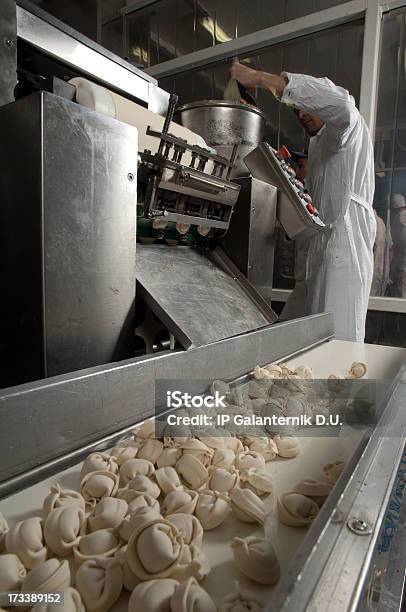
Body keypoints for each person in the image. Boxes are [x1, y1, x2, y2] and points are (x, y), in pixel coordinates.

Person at [230, 62, 376, 342]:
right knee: (295, 333)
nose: (301, 114)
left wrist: (259, 78)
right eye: (297, 110)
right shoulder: (320, 145)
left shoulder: (346, 127)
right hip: (319, 248)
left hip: (343, 246)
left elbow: (341, 104)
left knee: (337, 341)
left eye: (307, 106)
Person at [389, 194, 406, 297]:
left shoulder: (400, 217)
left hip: (402, 268)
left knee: (401, 297)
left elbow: (401, 243)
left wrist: (399, 267)